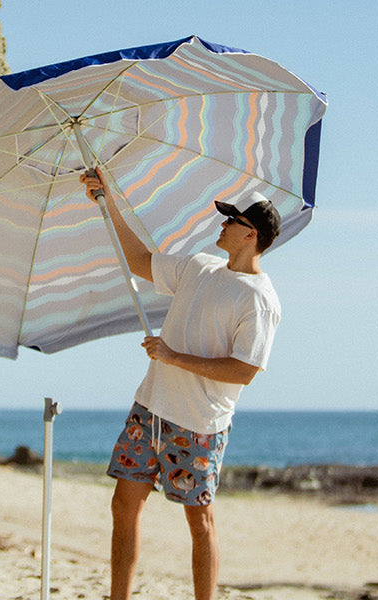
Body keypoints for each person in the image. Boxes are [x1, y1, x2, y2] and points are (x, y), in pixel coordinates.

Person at [80, 169, 282, 600]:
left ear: (251, 235)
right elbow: (138, 260)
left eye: (231, 221)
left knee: (199, 522)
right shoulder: (199, 266)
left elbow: (243, 371)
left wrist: (173, 358)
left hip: (198, 425)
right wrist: (106, 201)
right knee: (123, 505)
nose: (222, 225)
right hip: (150, 407)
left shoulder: (260, 300)